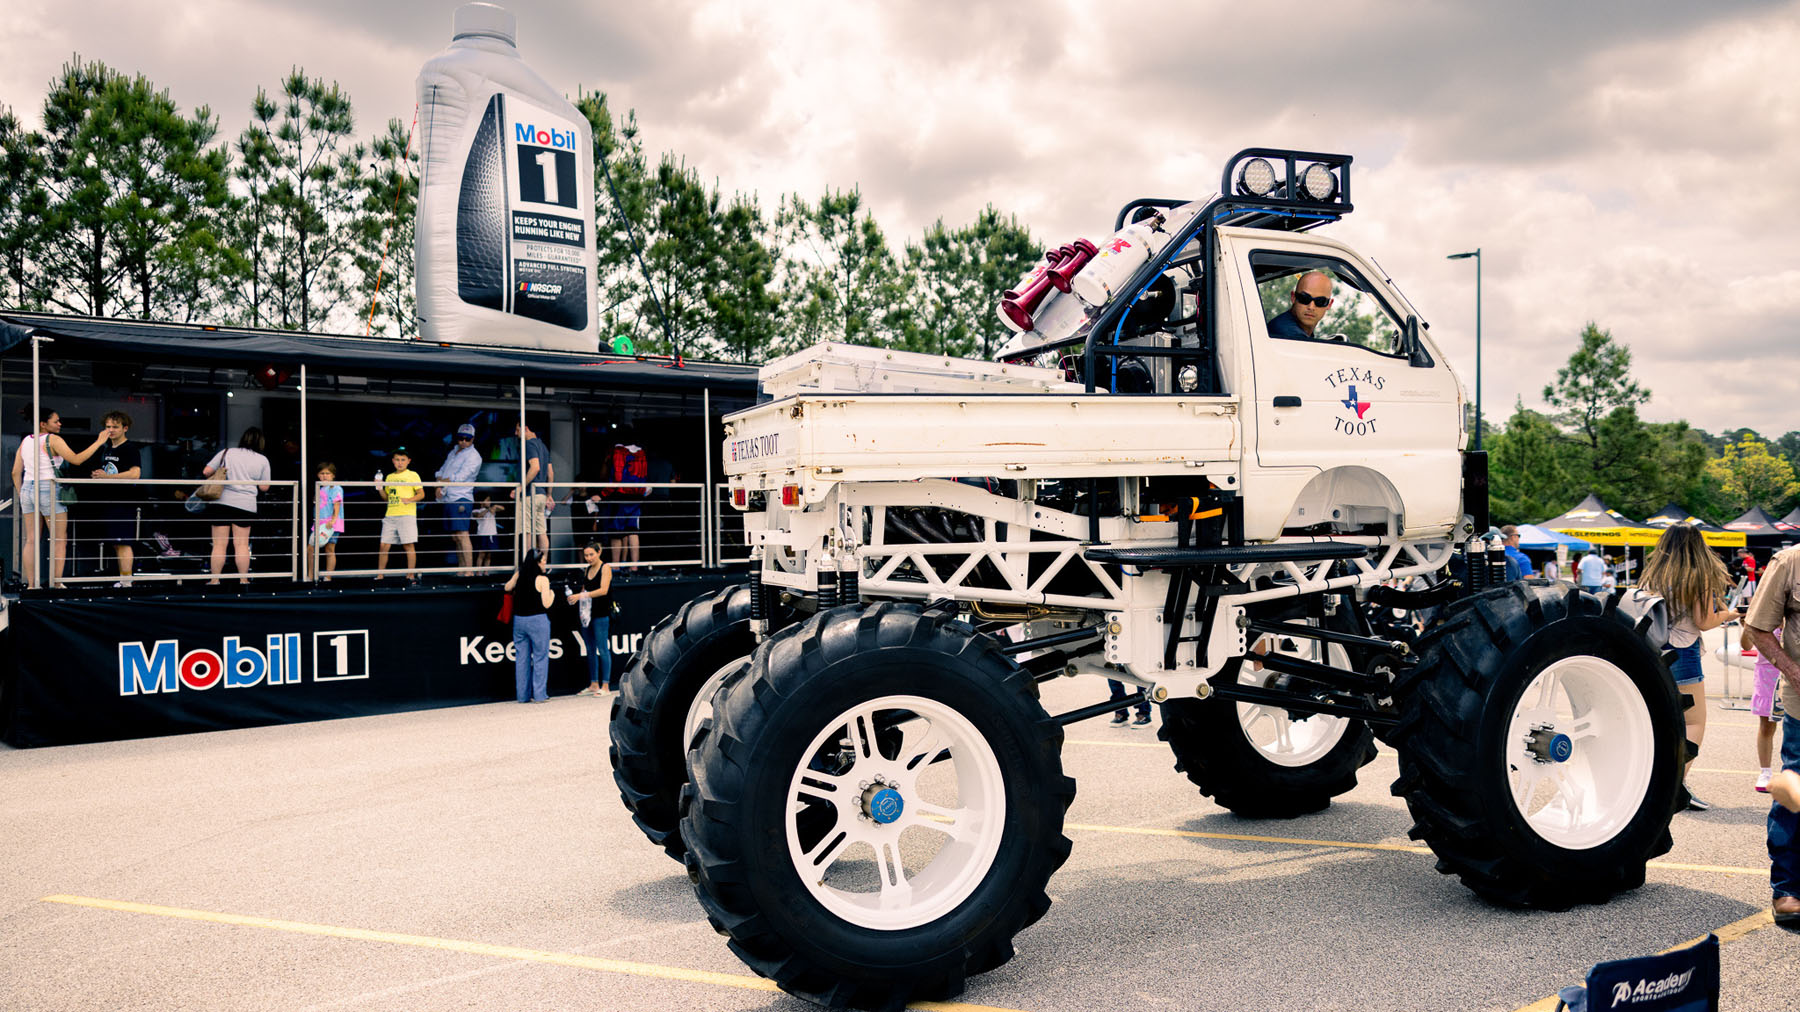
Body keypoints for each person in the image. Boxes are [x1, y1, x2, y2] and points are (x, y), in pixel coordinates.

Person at [1638, 523, 1737, 813]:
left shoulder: (1655, 575)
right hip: (1684, 652)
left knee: (1661, 721)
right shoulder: (1698, 577)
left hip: (1654, 650)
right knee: (1693, 722)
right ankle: (1674, 787)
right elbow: (1704, 621)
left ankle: (1654, 785)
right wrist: (1730, 613)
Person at [1743, 542, 1800, 926]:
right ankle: (1788, 888)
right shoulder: (1790, 561)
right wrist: (1793, 672)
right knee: (1794, 791)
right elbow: (1757, 626)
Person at [10, 408, 106, 588]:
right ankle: (57, 583)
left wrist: (23, 491)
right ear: (43, 424)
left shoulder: (25, 441)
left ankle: (31, 584)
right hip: (49, 487)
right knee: (59, 539)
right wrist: (99, 442)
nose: (60, 424)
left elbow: (16, 472)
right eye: (56, 421)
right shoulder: (53, 439)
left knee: (31, 539)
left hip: (27, 488)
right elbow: (76, 459)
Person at [202, 427, 272, 585]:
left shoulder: (227, 452)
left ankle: (215, 580)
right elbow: (264, 487)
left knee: (219, 544)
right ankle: (243, 579)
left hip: (221, 502)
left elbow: (206, 471)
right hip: (245, 505)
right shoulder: (262, 460)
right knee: (241, 544)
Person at [87, 411, 143, 587]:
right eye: (108, 427)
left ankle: (127, 581)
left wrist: (108, 477)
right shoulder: (106, 448)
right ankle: (123, 578)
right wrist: (98, 475)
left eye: (115, 427)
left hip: (123, 501)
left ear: (125, 428)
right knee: (116, 544)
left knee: (123, 542)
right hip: (108, 501)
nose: (111, 430)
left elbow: (136, 474)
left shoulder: (130, 448)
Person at [504, 548, 554, 703]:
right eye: (544, 560)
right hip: (537, 620)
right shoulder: (542, 579)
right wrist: (552, 593)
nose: (545, 563)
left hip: (519, 621)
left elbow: (507, 587)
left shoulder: (520, 574)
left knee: (521, 659)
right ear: (538, 562)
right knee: (540, 657)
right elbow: (546, 603)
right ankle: (539, 695)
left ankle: (522, 696)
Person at [567, 541, 614, 695]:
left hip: (601, 614)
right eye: (586, 555)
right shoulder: (587, 569)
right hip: (588, 615)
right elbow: (585, 589)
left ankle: (605, 686)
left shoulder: (605, 567)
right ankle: (594, 683)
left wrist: (581, 595)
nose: (588, 558)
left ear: (599, 552)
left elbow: (603, 590)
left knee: (602, 649)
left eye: (591, 554)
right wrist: (576, 598)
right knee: (590, 649)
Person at [436, 423, 481, 576]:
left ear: (473, 439)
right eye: (461, 438)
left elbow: (461, 477)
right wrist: (439, 484)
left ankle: (469, 570)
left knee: (462, 534)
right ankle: (462, 569)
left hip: (462, 497)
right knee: (456, 536)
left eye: (467, 439)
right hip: (448, 497)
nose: (463, 441)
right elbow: (441, 471)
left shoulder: (474, 456)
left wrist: (442, 481)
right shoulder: (453, 452)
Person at [376, 447, 424, 583]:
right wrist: (379, 487)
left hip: (406, 514)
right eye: (397, 460)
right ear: (393, 461)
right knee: (384, 545)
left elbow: (421, 494)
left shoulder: (413, 475)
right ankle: (380, 575)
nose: (400, 463)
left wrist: (409, 500)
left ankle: (411, 574)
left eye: (403, 460)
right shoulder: (390, 477)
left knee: (408, 545)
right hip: (390, 514)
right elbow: (386, 497)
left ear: (408, 461)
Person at [1746, 623, 1784, 793]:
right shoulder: (1764, 615)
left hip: (1793, 672)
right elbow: (1745, 645)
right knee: (1767, 726)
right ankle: (1765, 772)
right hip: (1767, 674)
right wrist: (1748, 626)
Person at [510, 421, 552, 554]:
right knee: (541, 532)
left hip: (529, 494)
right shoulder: (543, 446)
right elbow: (550, 473)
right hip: (541, 494)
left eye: (517, 430)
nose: (516, 434)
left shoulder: (528, 444)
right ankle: (543, 565)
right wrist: (549, 494)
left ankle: (528, 566)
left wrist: (521, 488)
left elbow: (535, 467)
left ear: (526, 428)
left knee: (527, 531)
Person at [1265, 271, 1334, 341]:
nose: (1311, 307)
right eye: (1305, 298)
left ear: (1329, 304)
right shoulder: (1288, 334)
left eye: (1320, 301)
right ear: (1293, 297)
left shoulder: (1300, 332)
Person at [314, 462, 344, 580]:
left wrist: (333, 520)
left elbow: (337, 504)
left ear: (333, 476)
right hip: (320, 523)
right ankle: (311, 576)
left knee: (329, 549)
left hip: (331, 524)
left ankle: (328, 576)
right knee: (311, 548)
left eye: (328, 473)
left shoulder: (335, 487)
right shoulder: (321, 488)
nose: (325, 476)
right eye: (322, 473)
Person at [472, 491, 503, 572]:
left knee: (489, 555)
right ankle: (478, 572)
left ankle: (486, 572)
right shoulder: (476, 510)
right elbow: (479, 515)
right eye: (487, 500)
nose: (489, 502)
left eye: (490, 500)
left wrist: (495, 506)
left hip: (492, 534)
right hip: (482, 535)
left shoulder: (492, 510)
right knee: (481, 554)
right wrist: (488, 509)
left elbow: (503, 508)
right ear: (481, 502)